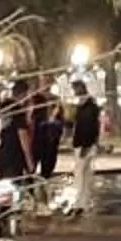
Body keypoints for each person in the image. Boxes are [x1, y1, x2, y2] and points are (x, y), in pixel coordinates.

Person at [68, 78, 104, 212]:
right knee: (85, 175)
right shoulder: (89, 106)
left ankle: (78, 203)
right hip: (87, 144)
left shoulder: (87, 107)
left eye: (74, 89)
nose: (74, 92)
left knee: (80, 174)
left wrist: (85, 146)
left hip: (83, 145)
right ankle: (83, 202)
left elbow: (88, 127)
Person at [31, 86, 68, 181]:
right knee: (34, 172)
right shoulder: (38, 118)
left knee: (45, 172)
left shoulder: (54, 121)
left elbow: (59, 128)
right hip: (40, 147)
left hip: (47, 148)